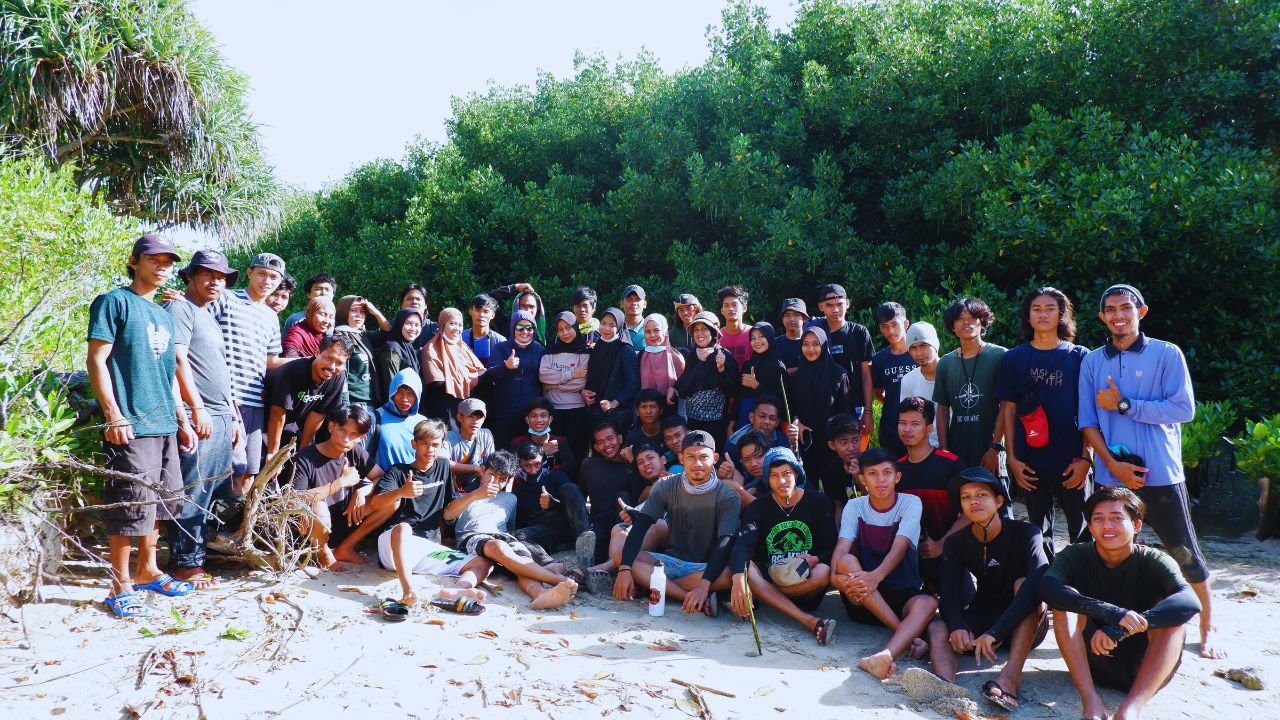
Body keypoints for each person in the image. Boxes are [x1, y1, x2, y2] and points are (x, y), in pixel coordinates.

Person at [1078, 284, 1221, 659]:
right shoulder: (1092, 361)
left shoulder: (1166, 353)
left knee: (1183, 550)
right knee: (1103, 550)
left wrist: (1125, 404)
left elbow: (1183, 409)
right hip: (1111, 477)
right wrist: (1112, 465)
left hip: (1161, 473)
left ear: (1141, 312)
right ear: (1102, 317)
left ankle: (1209, 626)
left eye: (1125, 307)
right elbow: (1088, 422)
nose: (1118, 315)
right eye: (1110, 309)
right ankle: (1101, 627)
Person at [87, 235, 197, 617]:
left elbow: (168, 374)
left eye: (169, 261)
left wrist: (181, 419)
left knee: (160, 505)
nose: (163, 266)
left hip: (164, 422)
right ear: (134, 262)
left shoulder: (164, 314)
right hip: (132, 422)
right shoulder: (113, 302)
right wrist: (113, 414)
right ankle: (119, 585)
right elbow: (96, 361)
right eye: (154, 259)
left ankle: (148, 570)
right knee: (130, 505)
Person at [1038, 487, 1201, 719]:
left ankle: (1129, 709)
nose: (1107, 525)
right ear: (1090, 526)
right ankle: (1091, 701)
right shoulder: (1075, 554)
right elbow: (1046, 588)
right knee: (1065, 602)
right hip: (1092, 661)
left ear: (1136, 525)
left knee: (1173, 617)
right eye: (1098, 519)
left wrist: (1120, 629)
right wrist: (1113, 613)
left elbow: (1189, 601)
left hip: (1143, 667)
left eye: (1116, 518)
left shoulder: (1154, 559)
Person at [928, 467, 1049, 713]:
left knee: (1024, 584)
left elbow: (1039, 583)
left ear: (999, 500)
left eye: (981, 494)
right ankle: (946, 688)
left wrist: (997, 631)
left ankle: (1010, 679)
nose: (973, 501)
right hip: (983, 617)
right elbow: (948, 593)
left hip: (1024, 619)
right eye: (966, 497)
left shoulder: (1028, 533)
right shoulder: (955, 542)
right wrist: (956, 626)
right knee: (937, 626)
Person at [163, 249, 241, 590]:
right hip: (201, 414)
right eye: (208, 274)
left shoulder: (206, 314)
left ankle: (201, 557)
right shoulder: (179, 307)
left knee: (215, 493)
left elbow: (219, 370)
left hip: (221, 415)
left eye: (222, 277)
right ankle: (185, 564)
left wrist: (233, 416)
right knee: (194, 490)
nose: (215, 281)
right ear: (190, 276)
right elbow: (177, 359)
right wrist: (195, 409)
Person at [997, 287, 1092, 559]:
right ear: (1027, 316)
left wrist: (1086, 458)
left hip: (1072, 457)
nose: (1043, 314)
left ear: (1061, 313)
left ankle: (1082, 585)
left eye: (1050, 308)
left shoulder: (1080, 356)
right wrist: (1012, 459)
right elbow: (1008, 411)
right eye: (1036, 309)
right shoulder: (1013, 357)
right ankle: (1044, 587)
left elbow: (1089, 412)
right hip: (1029, 458)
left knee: (1082, 525)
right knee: (1038, 529)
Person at [831, 447, 936, 680]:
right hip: (862, 599)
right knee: (846, 561)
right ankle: (903, 632)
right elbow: (841, 548)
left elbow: (899, 548)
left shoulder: (911, 503)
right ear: (862, 479)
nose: (881, 480)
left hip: (901, 593)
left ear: (897, 477)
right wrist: (833, 577)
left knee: (928, 604)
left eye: (887, 472)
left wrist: (875, 576)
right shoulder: (855, 506)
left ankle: (884, 656)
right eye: (873, 474)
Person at [363, 419, 491, 609]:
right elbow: (375, 503)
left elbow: (443, 510)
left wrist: (443, 539)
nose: (429, 449)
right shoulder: (398, 471)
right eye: (424, 443)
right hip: (392, 545)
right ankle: (408, 590)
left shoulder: (443, 466)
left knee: (483, 563)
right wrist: (400, 492)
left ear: (442, 446)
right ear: (414, 444)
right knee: (404, 528)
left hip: (425, 547)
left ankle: (455, 590)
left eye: (435, 444)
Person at [612, 431, 740, 616]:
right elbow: (640, 527)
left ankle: (652, 587)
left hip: (705, 566)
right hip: (671, 562)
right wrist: (624, 570)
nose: (697, 463)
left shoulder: (728, 495)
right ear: (681, 458)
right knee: (620, 556)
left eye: (704, 457)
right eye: (691, 457)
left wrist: (704, 584)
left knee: (732, 574)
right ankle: (686, 595)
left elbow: (724, 544)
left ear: (715, 458)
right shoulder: (665, 485)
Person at [729, 447, 838, 644]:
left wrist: (816, 559)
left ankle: (762, 597)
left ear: (796, 473)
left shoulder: (819, 501)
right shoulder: (758, 507)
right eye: (774, 476)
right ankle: (808, 621)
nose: (781, 481)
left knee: (824, 572)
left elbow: (832, 546)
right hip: (771, 575)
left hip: (805, 584)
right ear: (767, 479)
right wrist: (738, 580)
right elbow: (742, 545)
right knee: (748, 569)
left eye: (787, 474)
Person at [446, 452, 579, 609]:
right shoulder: (462, 496)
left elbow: (510, 529)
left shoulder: (511, 499)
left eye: (502, 479)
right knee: (499, 546)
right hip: (473, 538)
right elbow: (448, 514)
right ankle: (557, 579)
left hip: (503, 538)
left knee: (523, 564)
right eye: (492, 475)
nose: (495, 482)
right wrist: (475, 495)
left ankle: (540, 593)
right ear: (482, 471)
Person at [207, 252, 288, 491]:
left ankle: (237, 527)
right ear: (250, 273)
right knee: (230, 469)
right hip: (225, 398)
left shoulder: (272, 316)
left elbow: (270, 361)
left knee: (251, 471)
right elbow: (196, 321)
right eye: (262, 273)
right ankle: (214, 524)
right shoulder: (226, 298)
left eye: (274, 277)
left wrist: (307, 361)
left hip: (255, 401)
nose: (267, 281)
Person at [285, 405, 381, 571]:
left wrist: (362, 490)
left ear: (361, 437)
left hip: (344, 521)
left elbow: (383, 478)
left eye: (354, 434)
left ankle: (345, 548)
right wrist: (341, 482)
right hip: (310, 531)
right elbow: (295, 499)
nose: (346, 439)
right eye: (342, 430)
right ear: (331, 427)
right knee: (319, 505)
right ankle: (323, 554)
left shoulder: (355, 452)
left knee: (392, 500)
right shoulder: (305, 457)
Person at [896, 396, 969, 593]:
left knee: (961, 609)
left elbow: (970, 513)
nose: (907, 429)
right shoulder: (895, 469)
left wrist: (940, 545)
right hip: (906, 554)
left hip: (948, 552)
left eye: (915, 424)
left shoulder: (951, 464)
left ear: (929, 429)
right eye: (902, 423)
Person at [934, 297, 1008, 475]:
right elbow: (942, 410)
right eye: (960, 318)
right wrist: (944, 450)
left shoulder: (1001, 356)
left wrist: (995, 448)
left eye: (972, 316)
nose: (966, 322)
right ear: (953, 326)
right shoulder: (945, 363)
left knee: (995, 499)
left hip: (990, 448)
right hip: (956, 450)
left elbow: (1007, 407)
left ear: (983, 322)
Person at [510, 441, 594, 570]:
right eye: (527, 466)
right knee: (518, 536)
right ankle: (550, 566)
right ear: (519, 466)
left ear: (542, 462)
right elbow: (523, 532)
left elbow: (573, 503)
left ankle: (587, 549)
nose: (533, 471)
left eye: (537, 465)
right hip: (550, 537)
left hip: (572, 528)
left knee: (570, 487)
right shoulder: (515, 497)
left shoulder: (556, 478)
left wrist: (552, 503)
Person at [805, 284, 875, 434]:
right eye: (829, 305)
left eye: (839, 304)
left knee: (856, 454)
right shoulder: (815, 335)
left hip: (854, 407)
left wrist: (868, 412)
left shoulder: (859, 332)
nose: (835, 310)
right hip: (823, 409)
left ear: (847, 304)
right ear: (820, 306)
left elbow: (866, 374)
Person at [264, 335, 350, 456]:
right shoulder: (295, 370)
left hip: (289, 422)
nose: (332, 367)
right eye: (329, 358)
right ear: (317, 352)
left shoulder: (337, 377)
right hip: (263, 418)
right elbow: (277, 412)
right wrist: (272, 453)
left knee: (297, 459)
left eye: (340, 363)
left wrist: (302, 452)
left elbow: (318, 414)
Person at [788, 327, 853, 482]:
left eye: (816, 344)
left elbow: (844, 414)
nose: (810, 349)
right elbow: (792, 408)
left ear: (824, 345)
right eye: (806, 344)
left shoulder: (838, 374)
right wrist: (797, 423)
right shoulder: (797, 377)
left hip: (830, 444)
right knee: (808, 489)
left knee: (834, 492)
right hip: (805, 442)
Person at [671, 311, 740, 449]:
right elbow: (685, 383)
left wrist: (721, 369)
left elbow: (733, 391)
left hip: (716, 425)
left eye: (704, 329)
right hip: (692, 423)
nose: (699, 333)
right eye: (696, 329)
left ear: (713, 332)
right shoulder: (691, 355)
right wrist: (673, 388)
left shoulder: (724, 356)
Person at [580, 424, 646, 563]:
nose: (606, 445)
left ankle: (617, 563)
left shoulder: (630, 467)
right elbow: (581, 495)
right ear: (596, 447)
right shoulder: (589, 464)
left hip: (622, 520)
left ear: (620, 438)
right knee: (597, 547)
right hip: (599, 520)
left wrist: (633, 462)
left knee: (622, 496)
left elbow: (639, 497)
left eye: (610, 439)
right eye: (601, 442)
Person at [485, 310, 545, 450]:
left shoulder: (540, 349)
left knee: (531, 457)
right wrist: (506, 366)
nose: (525, 331)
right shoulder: (501, 348)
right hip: (506, 413)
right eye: (520, 327)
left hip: (532, 416)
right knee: (504, 456)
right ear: (513, 328)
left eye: (529, 328)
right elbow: (489, 375)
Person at [539, 312, 592, 462]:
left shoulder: (584, 351)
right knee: (556, 453)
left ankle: (578, 484)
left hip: (577, 409)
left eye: (568, 328)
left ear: (575, 327)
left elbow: (581, 382)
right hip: (554, 409)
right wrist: (570, 374)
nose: (565, 333)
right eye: (560, 330)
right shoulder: (551, 350)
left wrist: (552, 385)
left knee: (578, 450)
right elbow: (543, 376)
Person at [421, 307, 486, 425]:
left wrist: (456, 379)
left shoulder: (464, 347)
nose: (457, 328)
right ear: (442, 324)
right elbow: (436, 384)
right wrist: (469, 378)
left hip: (465, 411)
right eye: (452, 323)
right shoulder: (430, 349)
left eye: (460, 325)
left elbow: (482, 373)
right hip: (443, 412)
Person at [872, 302, 918, 457]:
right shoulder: (879, 359)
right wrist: (895, 406)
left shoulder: (919, 354)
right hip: (890, 429)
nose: (890, 331)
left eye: (894, 325)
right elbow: (879, 394)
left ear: (906, 324)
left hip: (919, 429)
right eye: (885, 326)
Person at [583, 307, 639, 429]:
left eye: (612, 325)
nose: (606, 328)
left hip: (611, 413)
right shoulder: (598, 346)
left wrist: (614, 402)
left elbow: (633, 384)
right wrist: (584, 392)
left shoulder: (625, 349)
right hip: (592, 410)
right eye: (603, 323)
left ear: (619, 327)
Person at [332, 295, 391, 409]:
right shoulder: (339, 337)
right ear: (343, 312)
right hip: (353, 402)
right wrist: (345, 406)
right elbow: (340, 374)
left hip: (371, 401)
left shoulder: (363, 335)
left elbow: (387, 331)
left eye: (362, 311)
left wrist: (375, 312)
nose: (359, 314)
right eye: (353, 310)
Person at [510, 398, 578, 481]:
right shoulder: (517, 443)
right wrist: (542, 452)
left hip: (552, 487)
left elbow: (571, 465)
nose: (539, 420)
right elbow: (513, 468)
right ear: (527, 420)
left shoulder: (558, 441)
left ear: (550, 419)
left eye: (543, 416)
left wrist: (549, 481)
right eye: (534, 416)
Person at [738, 322, 790, 427]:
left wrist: (756, 386)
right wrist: (732, 423)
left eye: (761, 336)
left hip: (768, 426)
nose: (756, 341)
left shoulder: (778, 368)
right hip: (744, 423)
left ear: (770, 338)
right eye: (752, 338)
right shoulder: (748, 365)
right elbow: (739, 396)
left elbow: (782, 402)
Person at [723, 394, 789, 477]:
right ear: (751, 417)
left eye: (772, 418)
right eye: (762, 416)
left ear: (777, 422)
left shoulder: (783, 441)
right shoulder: (733, 444)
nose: (766, 422)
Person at [900, 321, 941, 447]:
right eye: (913, 347)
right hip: (925, 450)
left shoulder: (954, 373)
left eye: (924, 345)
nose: (919, 353)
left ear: (935, 344)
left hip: (957, 445)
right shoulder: (908, 380)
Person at [463, 293, 507, 409]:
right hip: (467, 394)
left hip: (494, 397)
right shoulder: (460, 339)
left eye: (486, 311)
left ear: (492, 315)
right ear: (470, 312)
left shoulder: (500, 341)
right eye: (477, 310)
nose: (481, 315)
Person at [639, 313, 686, 415]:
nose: (652, 335)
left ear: (665, 331)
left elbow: (683, 387)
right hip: (647, 412)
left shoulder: (676, 357)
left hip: (670, 411)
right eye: (648, 331)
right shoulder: (641, 356)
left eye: (656, 330)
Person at [821, 414, 864, 524]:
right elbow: (839, 504)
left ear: (861, 438)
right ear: (832, 445)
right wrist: (838, 532)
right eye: (844, 443)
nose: (851, 448)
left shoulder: (871, 463)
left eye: (855, 440)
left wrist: (860, 481)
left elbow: (877, 504)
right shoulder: (835, 466)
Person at [445, 398, 496, 492]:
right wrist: (474, 468)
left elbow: (492, 464)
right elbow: (442, 462)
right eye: (470, 416)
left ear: (484, 419)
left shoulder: (486, 434)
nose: (475, 421)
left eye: (478, 417)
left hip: (480, 491)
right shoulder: (448, 437)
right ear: (459, 417)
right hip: (452, 493)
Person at [375, 308, 423, 404]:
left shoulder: (409, 347)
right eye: (408, 323)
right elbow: (391, 388)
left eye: (417, 325)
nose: (413, 329)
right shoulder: (392, 350)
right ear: (400, 324)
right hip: (397, 409)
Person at [716, 285, 753, 369]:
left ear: (744, 308)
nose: (730, 309)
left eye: (734, 305)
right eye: (726, 305)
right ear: (722, 310)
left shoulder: (754, 334)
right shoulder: (716, 337)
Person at [623, 388, 666, 453]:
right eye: (643, 407)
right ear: (637, 412)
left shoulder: (669, 432)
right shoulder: (632, 438)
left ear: (661, 410)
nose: (648, 411)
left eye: (653, 406)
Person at [398, 283, 440, 348]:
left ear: (426, 304)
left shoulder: (436, 329)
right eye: (409, 299)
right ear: (402, 304)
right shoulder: (392, 327)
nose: (414, 302)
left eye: (418, 299)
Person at [776, 298, 808, 373]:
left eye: (796, 315)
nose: (791, 319)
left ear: (804, 318)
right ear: (782, 319)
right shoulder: (775, 344)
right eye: (787, 315)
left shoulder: (812, 344)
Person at [620, 284, 648, 350]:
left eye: (638, 300)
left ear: (644, 304)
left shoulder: (651, 329)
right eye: (629, 300)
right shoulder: (615, 328)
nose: (634, 303)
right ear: (622, 303)